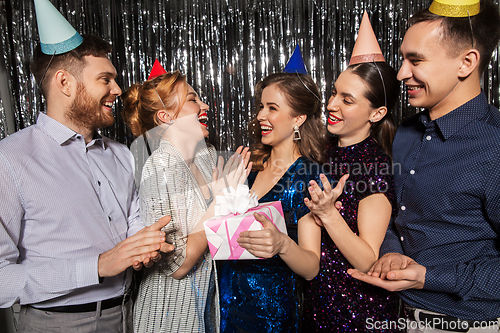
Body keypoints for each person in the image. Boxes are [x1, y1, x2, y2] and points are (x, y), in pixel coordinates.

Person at [0, 2, 172, 331]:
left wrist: (144, 244)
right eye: (105, 79)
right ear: (65, 83)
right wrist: (96, 266)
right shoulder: (10, 160)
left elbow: (132, 222)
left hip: (129, 314)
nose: (118, 90)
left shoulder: (121, 154)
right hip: (56, 324)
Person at [349, 0, 500, 332]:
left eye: (415, 60)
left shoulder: (494, 146)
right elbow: (396, 213)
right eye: (403, 59)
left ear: (466, 62)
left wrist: (429, 277)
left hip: (472, 324)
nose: (401, 73)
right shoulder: (405, 132)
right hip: (399, 317)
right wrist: (390, 252)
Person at [122, 69, 251, 333]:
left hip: (206, 306)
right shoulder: (160, 168)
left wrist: (237, 196)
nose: (204, 106)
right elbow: (178, 264)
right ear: (166, 117)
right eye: (193, 100)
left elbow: (223, 236)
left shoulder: (206, 158)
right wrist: (222, 199)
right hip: (170, 314)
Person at [219, 48, 329, 332]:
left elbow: (311, 266)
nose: (260, 116)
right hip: (225, 305)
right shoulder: (248, 165)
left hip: (269, 315)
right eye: (260, 106)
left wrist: (282, 244)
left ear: (298, 119)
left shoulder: (307, 175)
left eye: (272, 108)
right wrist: (222, 191)